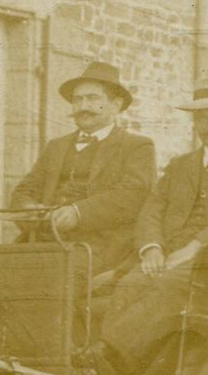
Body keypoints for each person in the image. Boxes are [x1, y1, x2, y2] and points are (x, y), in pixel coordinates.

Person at [84, 78, 208, 375]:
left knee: (169, 285)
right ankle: (120, 373)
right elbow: (153, 207)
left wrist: (194, 248)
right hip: (167, 256)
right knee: (130, 284)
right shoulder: (181, 165)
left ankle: (108, 357)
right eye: (203, 118)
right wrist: (152, 248)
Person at [8, 61, 155, 274]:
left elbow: (133, 196)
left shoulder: (137, 146)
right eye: (78, 100)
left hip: (102, 249)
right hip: (43, 242)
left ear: (116, 105)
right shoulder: (56, 147)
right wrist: (30, 209)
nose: (83, 107)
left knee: (52, 280)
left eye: (93, 98)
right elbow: (23, 191)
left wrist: (79, 213)